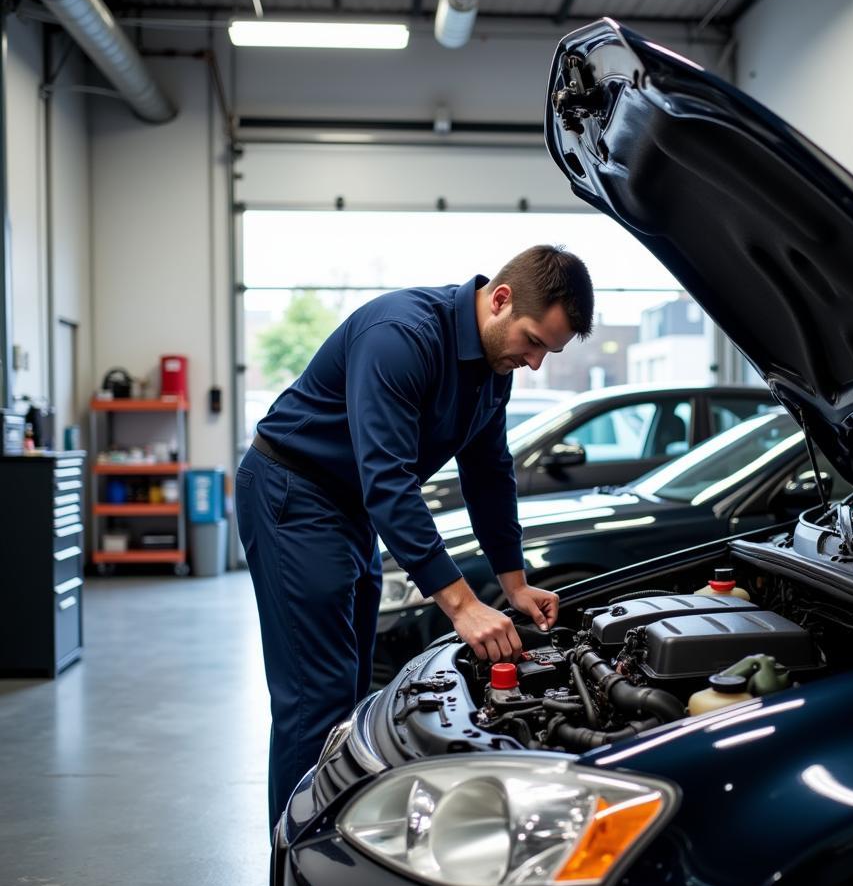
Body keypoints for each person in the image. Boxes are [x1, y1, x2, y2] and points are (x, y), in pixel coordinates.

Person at [236, 244, 595, 832]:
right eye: (533, 341)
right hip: (292, 495)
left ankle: (343, 841)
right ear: (500, 299)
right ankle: (296, 870)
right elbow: (388, 479)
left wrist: (515, 583)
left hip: (348, 506)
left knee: (352, 694)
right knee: (315, 698)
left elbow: (489, 474)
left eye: (546, 352)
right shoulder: (400, 335)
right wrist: (461, 605)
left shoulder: (492, 367)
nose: (534, 362)